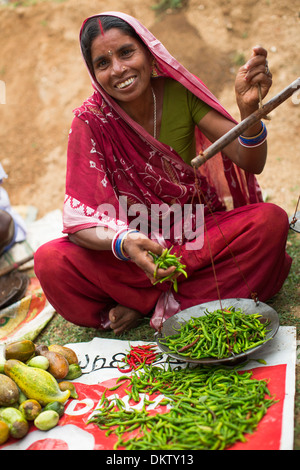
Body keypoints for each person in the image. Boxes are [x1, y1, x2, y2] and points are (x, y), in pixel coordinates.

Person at [34, 12, 292, 335]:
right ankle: (179, 298)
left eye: (126, 52)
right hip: (134, 251)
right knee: (49, 261)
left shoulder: (178, 93)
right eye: (103, 63)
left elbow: (250, 161)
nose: (118, 70)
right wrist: (125, 242)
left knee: (270, 223)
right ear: (93, 73)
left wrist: (249, 112)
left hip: (195, 236)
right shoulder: (90, 121)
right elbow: (79, 221)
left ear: (147, 51)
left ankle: (146, 303)